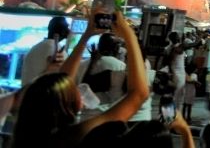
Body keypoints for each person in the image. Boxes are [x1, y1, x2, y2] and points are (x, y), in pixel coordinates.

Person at [11, 8, 150, 148]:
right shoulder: (74, 136)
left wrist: (87, 34)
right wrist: (129, 35)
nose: (78, 88)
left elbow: (63, 79)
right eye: (73, 88)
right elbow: (138, 95)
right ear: (67, 105)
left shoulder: (28, 137)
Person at [21, 15, 70, 87]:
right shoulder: (52, 48)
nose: (69, 30)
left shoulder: (39, 46)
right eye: (67, 27)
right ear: (62, 31)